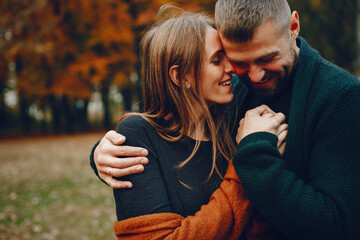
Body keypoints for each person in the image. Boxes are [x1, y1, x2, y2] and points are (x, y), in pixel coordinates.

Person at [91, 0, 360, 239]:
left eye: (267, 58)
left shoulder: (340, 97)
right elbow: (165, 138)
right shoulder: (232, 98)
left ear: (293, 27)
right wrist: (101, 155)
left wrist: (255, 156)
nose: (252, 76)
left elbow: (336, 226)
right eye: (236, 61)